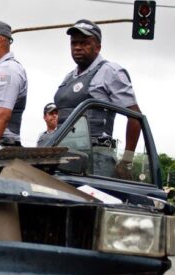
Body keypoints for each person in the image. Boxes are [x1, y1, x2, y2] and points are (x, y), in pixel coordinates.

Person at [53, 19, 141, 177]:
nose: (78, 47)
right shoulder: (68, 78)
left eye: (84, 43)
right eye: (74, 43)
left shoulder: (110, 72)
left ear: (98, 47)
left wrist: (126, 162)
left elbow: (135, 117)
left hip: (96, 159)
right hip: (65, 157)